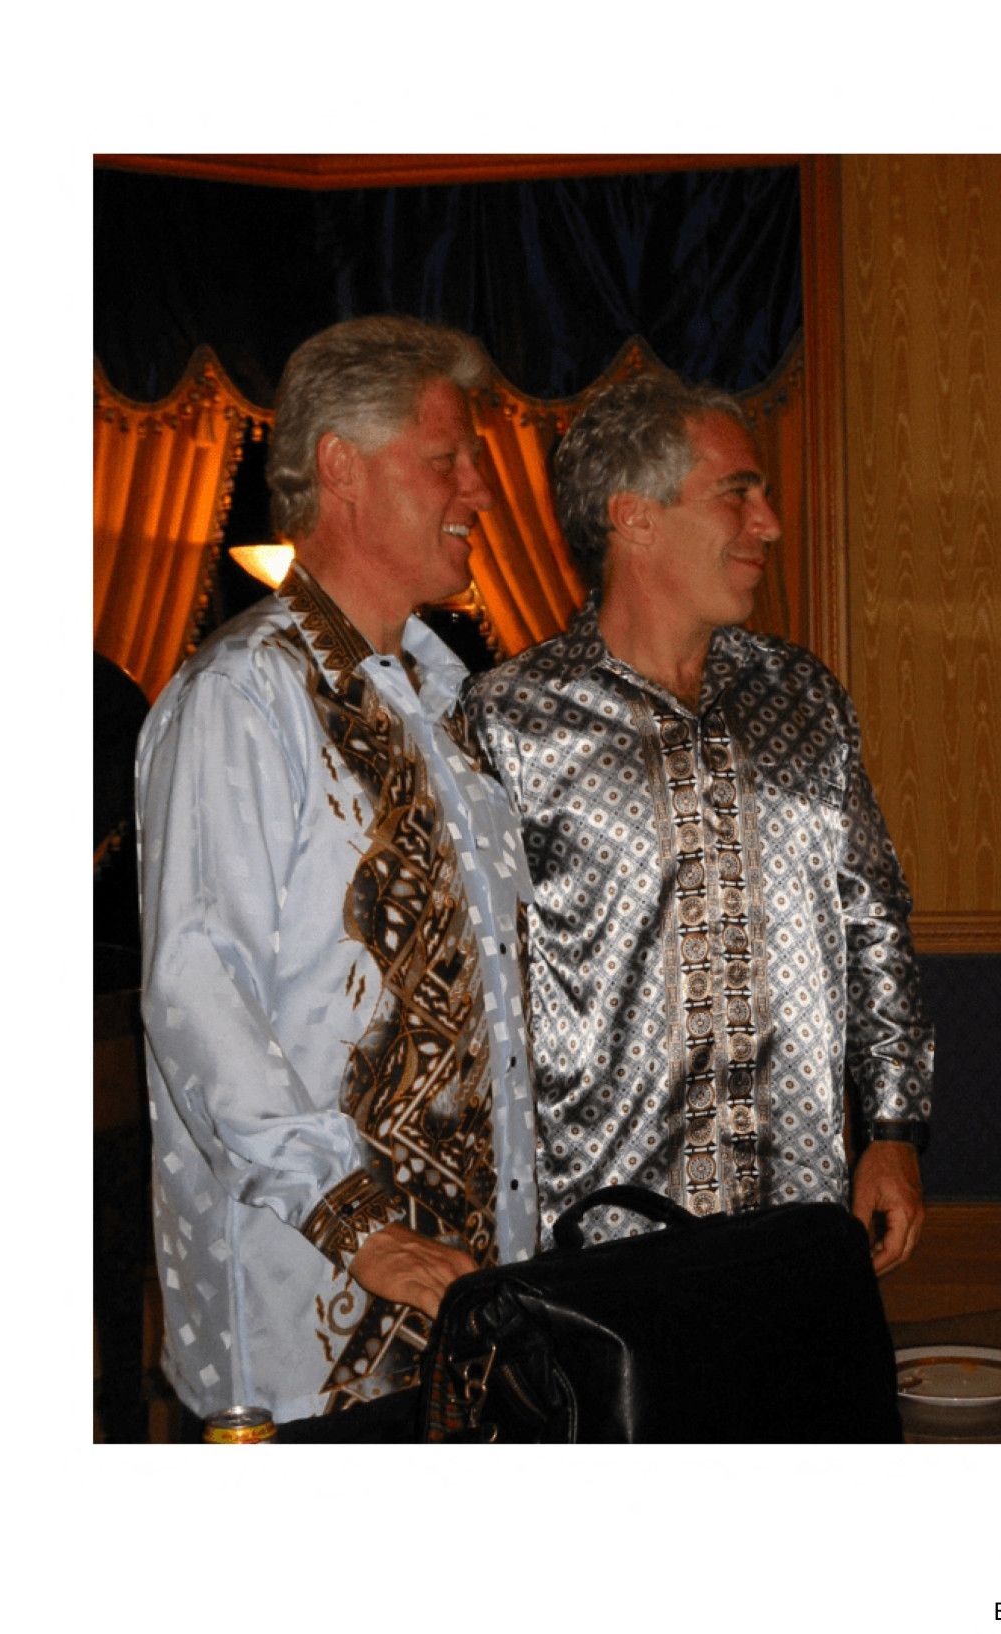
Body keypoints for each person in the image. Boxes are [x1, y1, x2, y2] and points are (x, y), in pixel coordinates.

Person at [137, 316, 538, 1440]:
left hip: (466, 1307)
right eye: (448, 459)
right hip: (307, 1331)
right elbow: (196, 987)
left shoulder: (442, 704)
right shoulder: (242, 695)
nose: (481, 491)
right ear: (342, 469)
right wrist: (359, 1224)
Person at [465, 371, 933, 1272]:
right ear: (634, 517)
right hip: (602, 1242)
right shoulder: (508, 721)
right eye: (737, 493)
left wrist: (893, 1130)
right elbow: (477, 997)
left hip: (798, 1218)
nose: (770, 523)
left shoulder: (802, 699)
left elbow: (875, 923)